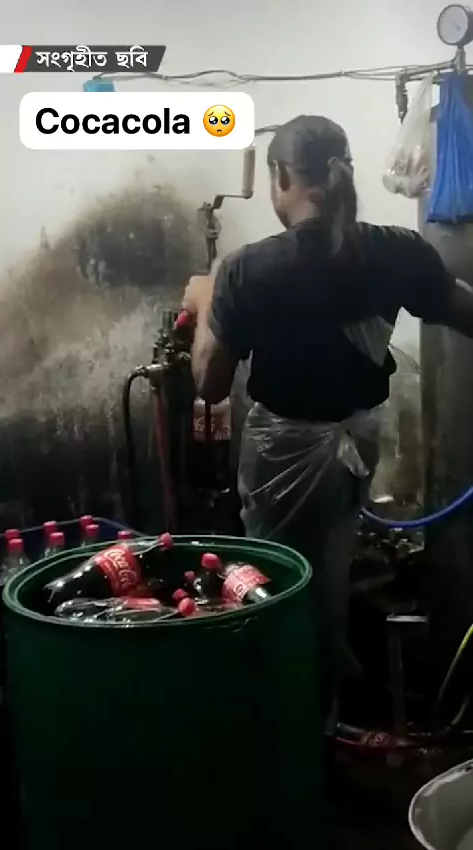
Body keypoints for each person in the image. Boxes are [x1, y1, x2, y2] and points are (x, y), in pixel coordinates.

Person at [182, 114, 473, 726]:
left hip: (283, 457)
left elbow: (209, 383)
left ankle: (295, 718)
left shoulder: (247, 269)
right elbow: (462, 308)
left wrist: (206, 301)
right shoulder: (397, 250)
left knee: (277, 583)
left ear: (282, 177)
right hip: (356, 447)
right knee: (329, 568)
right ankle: (328, 692)